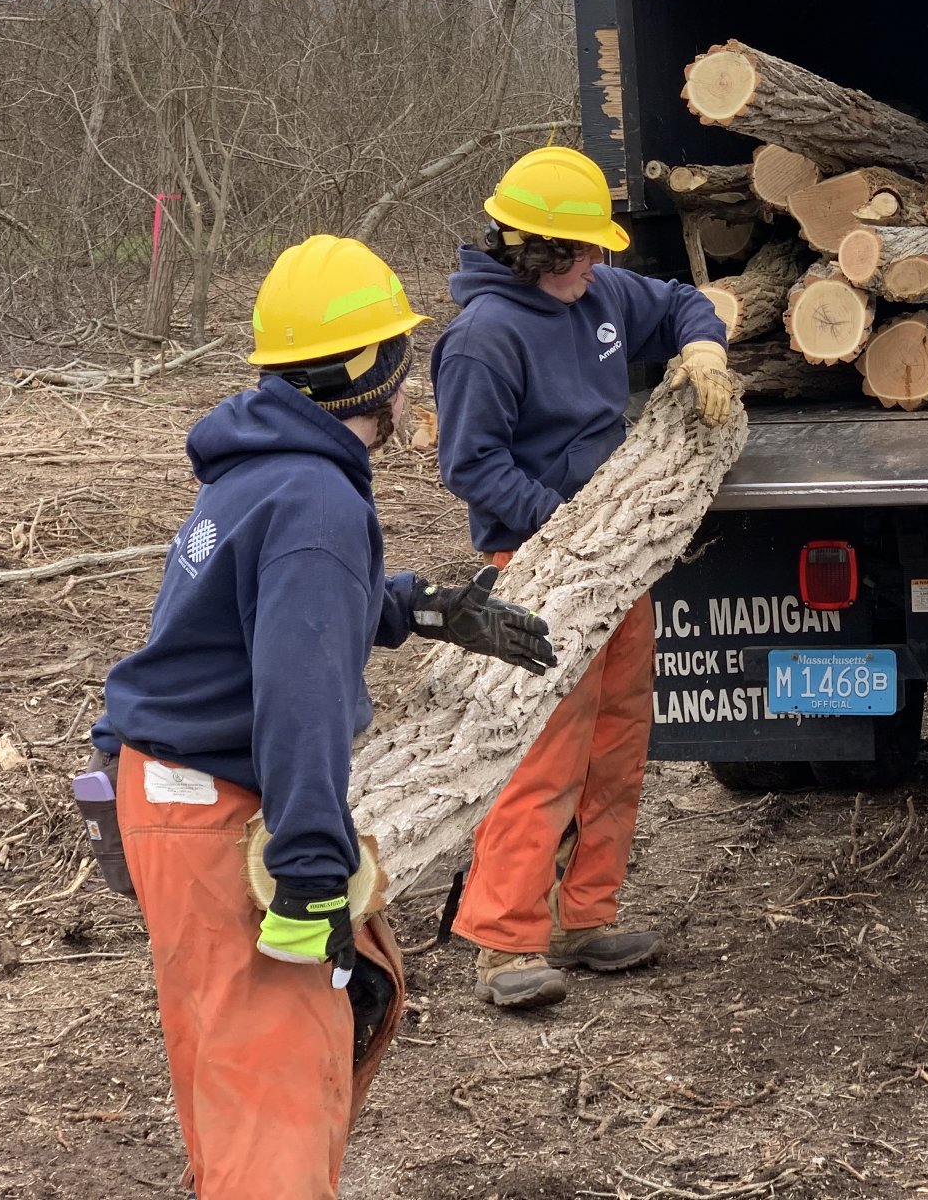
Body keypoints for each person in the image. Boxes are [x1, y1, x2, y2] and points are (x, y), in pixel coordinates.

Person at [93, 235, 556, 1199]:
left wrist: (419, 606)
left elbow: (264, 608)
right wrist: (308, 873)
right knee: (277, 1109)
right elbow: (298, 701)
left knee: (242, 1091)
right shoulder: (314, 501)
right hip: (220, 814)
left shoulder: (260, 468)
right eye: (400, 356)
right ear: (374, 374)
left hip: (164, 787)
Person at [433, 145, 734, 1010]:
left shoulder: (597, 295)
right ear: (534, 251)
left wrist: (704, 348)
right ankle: (506, 941)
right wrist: (567, 537)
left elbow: (679, 302)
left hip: (621, 558)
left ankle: (586, 916)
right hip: (539, 566)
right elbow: (473, 465)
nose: (599, 265)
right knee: (543, 753)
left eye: (601, 253)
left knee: (617, 740)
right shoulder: (483, 341)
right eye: (583, 252)